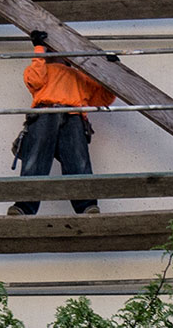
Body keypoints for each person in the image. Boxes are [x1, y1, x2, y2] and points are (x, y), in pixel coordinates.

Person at [8, 29, 116, 216]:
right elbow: (35, 79)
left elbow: (104, 97)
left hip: (72, 116)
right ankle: (25, 207)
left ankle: (86, 206)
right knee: (37, 159)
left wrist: (111, 72)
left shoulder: (80, 76)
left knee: (77, 161)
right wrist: (39, 50)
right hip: (46, 113)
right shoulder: (42, 68)